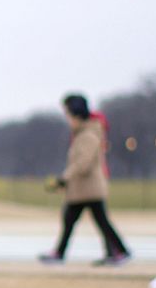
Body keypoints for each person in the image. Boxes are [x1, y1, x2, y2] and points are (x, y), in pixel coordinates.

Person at [40, 92, 130, 265]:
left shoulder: (88, 134)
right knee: (76, 220)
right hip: (84, 188)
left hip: (88, 188)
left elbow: (83, 163)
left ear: (76, 115)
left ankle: (118, 251)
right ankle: (115, 252)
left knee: (95, 221)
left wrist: (64, 179)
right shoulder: (84, 132)